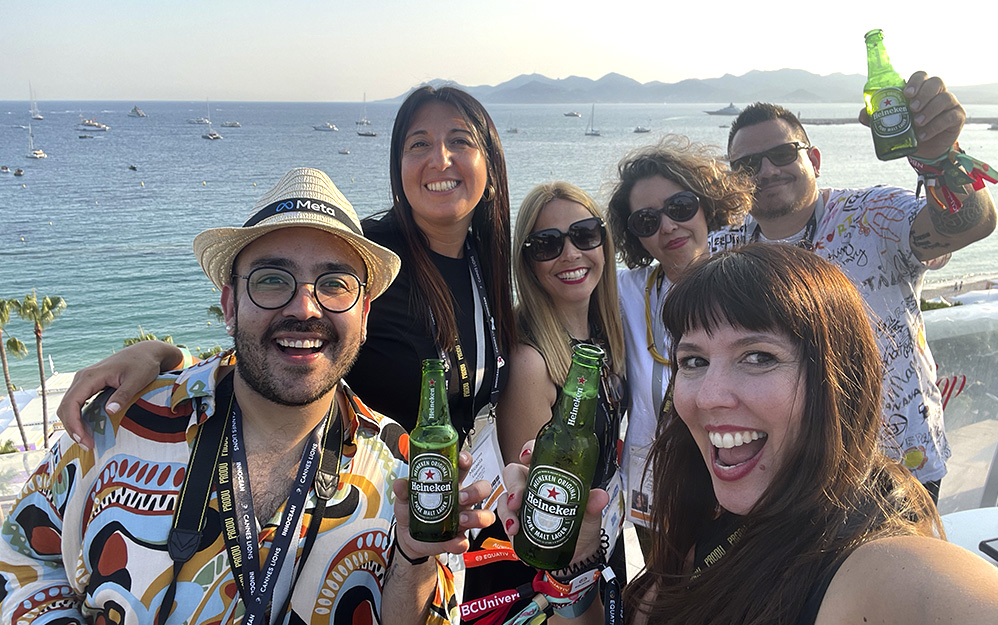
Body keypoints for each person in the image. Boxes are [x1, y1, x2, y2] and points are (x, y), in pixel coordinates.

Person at [0, 168, 493, 625]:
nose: (304, 307)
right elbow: (22, 565)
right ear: (230, 303)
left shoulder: (405, 469)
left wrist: (413, 558)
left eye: (335, 284)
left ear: (364, 312)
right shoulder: (121, 420)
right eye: (272, 280)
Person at [500, 244, 998, 624]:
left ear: (839, 378)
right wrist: (579, 556)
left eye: (758, 356)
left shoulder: (882, 565)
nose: (709, 395)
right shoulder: (716, 514)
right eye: (693, 360)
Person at [718, 72, 998, 500]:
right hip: (790, 473)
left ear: (813, 159)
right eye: (748, 165)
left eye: (781, 153)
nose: (767, 171)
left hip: (897, 467)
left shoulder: (872, 215)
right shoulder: (727, 245)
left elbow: (970, 224)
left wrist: (940, 157)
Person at [493, 182, 627, 618]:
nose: (570, 254)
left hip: (609, 535)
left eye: (585, 234)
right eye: (547, 245)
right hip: (563, 571)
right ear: (527, 264)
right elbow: (541, 515)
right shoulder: (533, 363)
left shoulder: (608, 333)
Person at [606, 137, 751, 540]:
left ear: (707, 204)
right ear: (635, 236)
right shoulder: (625, 291)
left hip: (730, 471)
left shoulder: (748, 288)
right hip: (651, 482)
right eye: (647, 221)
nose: (668, 226)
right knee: (662, 593)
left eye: (680, 207)